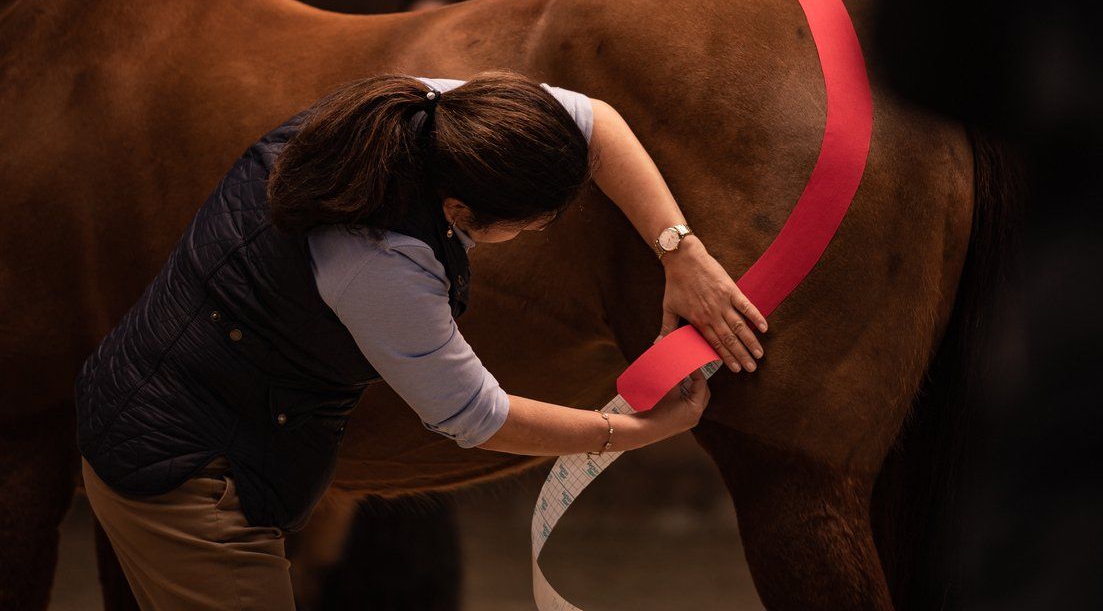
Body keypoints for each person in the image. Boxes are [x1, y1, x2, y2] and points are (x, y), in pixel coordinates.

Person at [76, 68, 768, 610]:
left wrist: (679, 252)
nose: (534, 233)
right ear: (459, 210)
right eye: (528, 224)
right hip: (184, 475)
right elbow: (478, 416)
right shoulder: (378, 263)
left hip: (190, 420)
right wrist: (636, 430)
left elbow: (596, 123)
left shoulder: (434, 115)